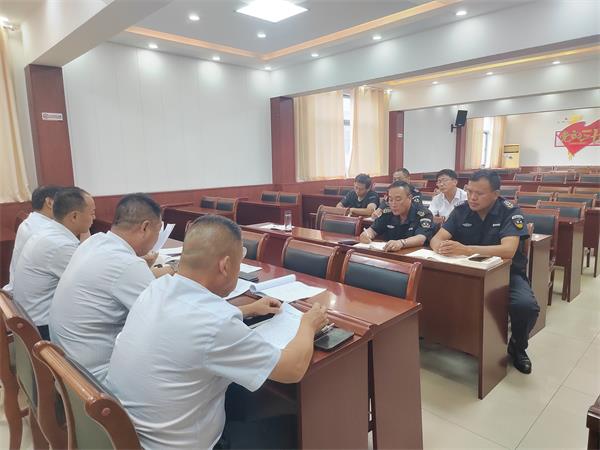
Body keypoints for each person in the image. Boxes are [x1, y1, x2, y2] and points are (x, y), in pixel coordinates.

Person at [105, 215, 328, 450]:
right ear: (226, 266)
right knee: (294, 429)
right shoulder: (215, 323)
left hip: (129, 434)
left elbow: (191, 321)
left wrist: (248, 310)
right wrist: (308, 324)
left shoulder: (156, 288)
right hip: (179, 445)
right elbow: (292, 369)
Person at [50, 193, 173, 381]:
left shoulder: (93, 242)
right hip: (94, 378)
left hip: (66, 364)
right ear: (145, 227)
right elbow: (165, 321)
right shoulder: (127, 264)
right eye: (158, 231)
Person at [429, 170, 540, 374]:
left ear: (496, 194)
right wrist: (440, 247)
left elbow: (508, 250)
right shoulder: (461, 211)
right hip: (467, 273)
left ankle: (518, 346)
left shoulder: (510, 212)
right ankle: (445, 338)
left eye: (479, 193)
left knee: (526, 307)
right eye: (469, 191)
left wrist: (466, 249)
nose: (472, 197)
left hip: (505, 275)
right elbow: (437, 238)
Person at [13, 187, 95, 340]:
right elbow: (93, 283)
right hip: (42, 327)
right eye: (92, 213)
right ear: (74, 216)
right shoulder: (60, 245)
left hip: (29, 316)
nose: (94, 218)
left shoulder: (49, 233)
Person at [3, 185, 62, 296]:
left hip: (18, 289)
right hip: (31, 298)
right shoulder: (46, 232)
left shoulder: (30, 221)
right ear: (49, 203)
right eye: (63, 202)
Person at [360, 181, 435, 252]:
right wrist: (366, 234)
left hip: (414, 256)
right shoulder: (387, 212)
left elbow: (421, 238)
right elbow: (373, 230)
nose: (393, 204)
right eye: (390, 200)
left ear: (409, 198)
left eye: (398, 199)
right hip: (390, 254)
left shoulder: (423, 213)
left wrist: (401, 243)